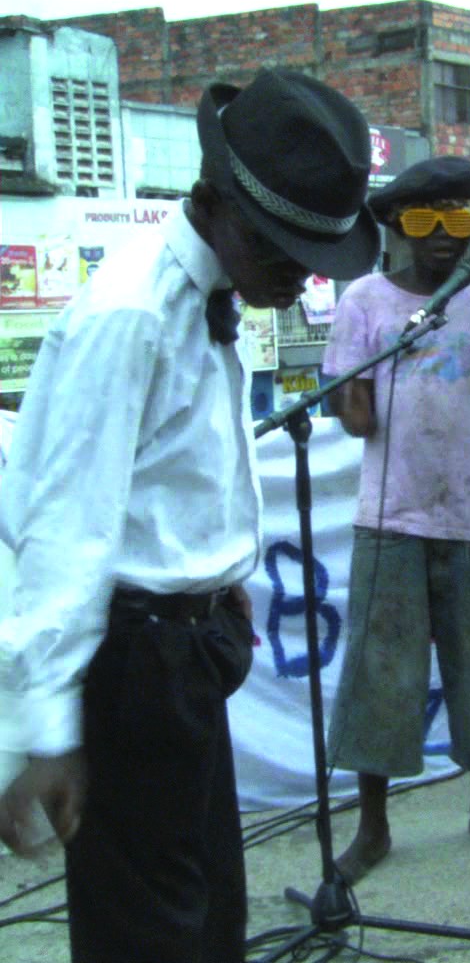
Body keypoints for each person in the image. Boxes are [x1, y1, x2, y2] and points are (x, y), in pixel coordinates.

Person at [0, 69, 381, 961]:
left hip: (188, 649)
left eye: (312, 260)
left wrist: (225, 581)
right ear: (213, 201)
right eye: (281, 252)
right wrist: (47, 731)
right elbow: (63, 527)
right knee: (149, 928)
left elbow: (184, 471)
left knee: (209, 907)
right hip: (130, 662)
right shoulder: (129, 316)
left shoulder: (215, 293)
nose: (296, 279)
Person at [321, 156, 470, 884]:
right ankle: (374, 827)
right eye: (425, 221)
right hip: (391, 518)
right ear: (394, 227)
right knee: (382, 677)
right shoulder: (364, 301)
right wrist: (354, 393)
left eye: (461, 220)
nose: (445, 236)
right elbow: (351, 415)